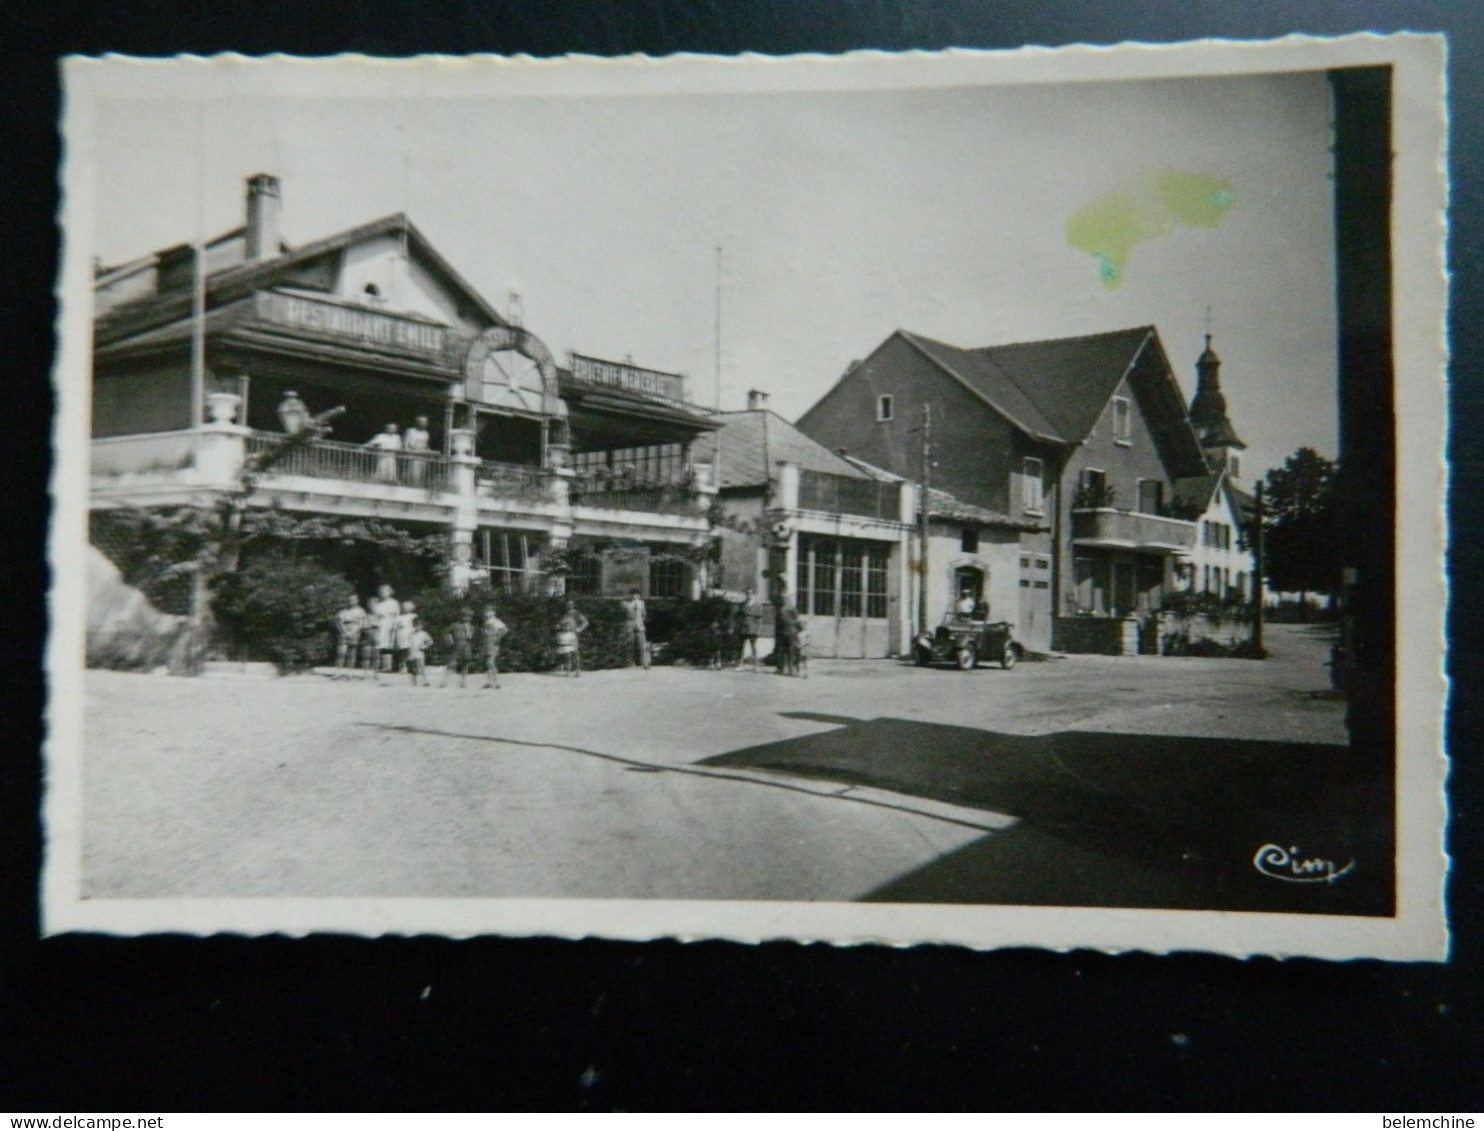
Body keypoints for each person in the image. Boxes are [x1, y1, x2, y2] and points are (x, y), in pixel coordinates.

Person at [442, 608, 475, 688]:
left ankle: (463, 682)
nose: (467, 618)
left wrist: (467, 629)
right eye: (465, 616)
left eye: (469, 617)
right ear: (460, 616)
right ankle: (445, 681)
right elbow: (446, 633)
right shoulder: (455, 625)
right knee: (452, 663)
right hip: (456, 646)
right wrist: (449, 640)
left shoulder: (471, 627)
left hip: (466, 646)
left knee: (465, 664)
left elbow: (470, 637)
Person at [370, 585, 400, 674]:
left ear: (389, 592)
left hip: (389, 625)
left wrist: (394, 627)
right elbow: (374, 615)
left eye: (385, 591)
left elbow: (396, 616)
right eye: (381, 592)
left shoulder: (394, 603)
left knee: (388, 645)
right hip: (379, 625)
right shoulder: (377, 604)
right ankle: (377, 665)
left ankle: (387, 666)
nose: (382, 593)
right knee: (378, 645)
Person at [555, 601, 589, 677]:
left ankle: (577, 671)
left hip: (573, 634)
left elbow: (585, 622)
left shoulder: (576, 613)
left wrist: (579, 629)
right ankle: (568, 671)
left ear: (573, 605)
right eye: (567, 604)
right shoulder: (564, 614)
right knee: (567, 653)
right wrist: (558, 626)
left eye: (571, 604)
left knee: (575, 652)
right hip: (565, 635)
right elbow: (560, 623)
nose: (569, 606)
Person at [735, 586, 764, 671]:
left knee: (753, 647)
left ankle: (756, 665)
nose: (749, 595)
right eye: (747, 593)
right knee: (741, 647)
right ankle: (740, 664)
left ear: (753, 594)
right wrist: (738, 626)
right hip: (743, 627)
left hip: (753, 628)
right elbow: (739, 616)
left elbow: (760, 619)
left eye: (750, 593)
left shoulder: (757, 605)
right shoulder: (742, 604)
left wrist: (759, 629)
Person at [335, 594, 367, 670]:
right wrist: (344, 631)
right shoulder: (343, 611)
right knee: (341, 651)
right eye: (349, 600)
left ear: (357, 601)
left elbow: (361, 623)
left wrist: (353, 632)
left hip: (355, 629)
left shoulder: (360, 611)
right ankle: (339, 669)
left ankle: (350, 669)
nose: (351, 601)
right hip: (344, 629)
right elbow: (338, 622)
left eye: (353, 600)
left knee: (352, 651)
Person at [481, 605, 509, 689]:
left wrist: (498, 638)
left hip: (493, 643)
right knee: (487, 662)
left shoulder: (496, 621)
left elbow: (505, 629)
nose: (487, 613)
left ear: (493, 612)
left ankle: (497, 682)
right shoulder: (486, 622)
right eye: (485, 611)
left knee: (490, 662)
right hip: (486, 642)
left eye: (489, 611)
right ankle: (489, 682)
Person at [622, 588, 650, 669]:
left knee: (642, 644)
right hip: (630, 624)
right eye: (633, 594)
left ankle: (643, 662)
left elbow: (644, 614)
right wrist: (633, 603)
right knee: (630, 643)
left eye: (637, 594)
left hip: (639, 625)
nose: (635, 596)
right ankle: (629, 663)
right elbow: (626, 613)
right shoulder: (625, 603)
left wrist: (641, 621)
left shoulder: (642, 603)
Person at [405, 617, 434, 687]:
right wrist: (409, 651)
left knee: (421, 668)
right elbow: (409, 643)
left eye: (419, 625)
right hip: (412, 652)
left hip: (419, 653)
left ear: (422, 626)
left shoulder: (424, 634)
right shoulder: (411, 634)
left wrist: (424, 647)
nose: (418, 627)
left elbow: (430, 642)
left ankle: (425, 681)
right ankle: (414, 682)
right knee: (413, 669)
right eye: (416, 625)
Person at [403, 415, 431, 486]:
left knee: (422, 473)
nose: (422, 423)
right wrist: (409, 452)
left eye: (424, 422)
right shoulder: (410, 431)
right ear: (417, 422)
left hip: (423, 456)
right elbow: (405, 444)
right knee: (414, 473)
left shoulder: (425, 433)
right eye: (420, 421)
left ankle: (420, 487)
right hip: (413, 455)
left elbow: (425, 445)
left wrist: (429, 451)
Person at [775, 600, 800, 677]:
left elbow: (778, 622)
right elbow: (797, 620)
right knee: (792, 651)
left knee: (783, 651)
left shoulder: (780, 610)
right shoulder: (792, 609)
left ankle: (782, 668)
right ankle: (792, 669)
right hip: (791, 632)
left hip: (784, 632)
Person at [392, 600, 418, 674]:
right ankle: (402, 667)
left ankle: (413, 667)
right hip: (401, 636)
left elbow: (416, 625)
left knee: (410, 652)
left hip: (410, 636)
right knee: (402, 652)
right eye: (404, 607)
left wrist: (413, 632)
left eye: (407, 607)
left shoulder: (413, 616)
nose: (405, 608)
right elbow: (395, 627)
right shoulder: (398, 617)